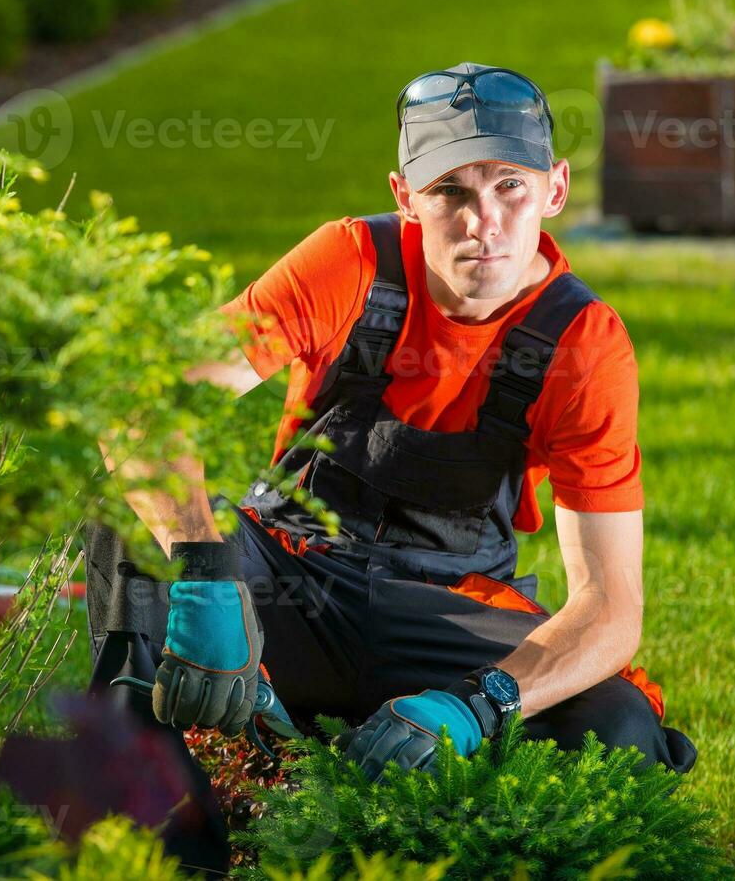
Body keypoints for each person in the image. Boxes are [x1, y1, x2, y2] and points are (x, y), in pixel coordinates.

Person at [86, 63, 697, 874]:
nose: (485, 221)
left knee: (618, 726)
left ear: (555, 189)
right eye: (451, 191)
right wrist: (205, 572)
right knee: (122, 527)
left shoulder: (583, 344)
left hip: (444, 610)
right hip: (290, 580)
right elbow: (144, 403)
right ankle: (178, 845)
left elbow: (612, 607)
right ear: (406, 198)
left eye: (509, 186)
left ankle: (378, 804)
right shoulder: (349, 260)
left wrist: (480, 704)